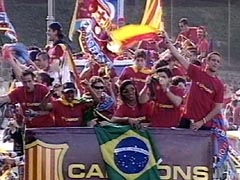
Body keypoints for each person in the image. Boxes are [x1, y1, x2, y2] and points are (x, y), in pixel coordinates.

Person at [164, 31, 225, 131]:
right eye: (213, 60)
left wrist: (203, 121)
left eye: (218, 62)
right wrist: (167, 42)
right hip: (186, 119)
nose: (215, 63)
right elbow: (179, 57)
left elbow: (218, 108)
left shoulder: (219, 85)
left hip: (204, 124)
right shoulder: (197, 72)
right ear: (207, 61)